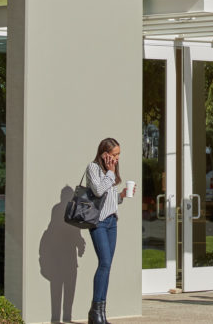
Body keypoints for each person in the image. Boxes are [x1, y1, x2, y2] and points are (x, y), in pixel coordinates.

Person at [86, 138, 127, 324]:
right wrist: (110, 173)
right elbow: (98, 191)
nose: (117, 158)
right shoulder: (93, 168)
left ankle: (101, 313)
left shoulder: (110, 171)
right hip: (99, 223)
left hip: (112, 222)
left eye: (118, 155)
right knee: (104, 263)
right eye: (115, 154)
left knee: (107, 265)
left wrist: (121, 196)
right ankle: (95, 312)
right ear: (104, 154)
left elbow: (108, 199)